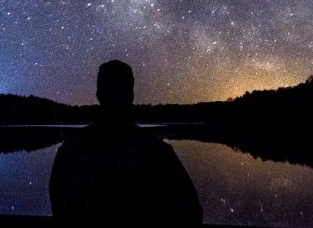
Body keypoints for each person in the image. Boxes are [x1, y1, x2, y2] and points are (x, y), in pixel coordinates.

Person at [49, 60, 202, 226]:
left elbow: (60, 206)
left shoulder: (71, 151)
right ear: (131, 95)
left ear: (98, 94)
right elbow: (191, 211)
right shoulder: (158, 152)